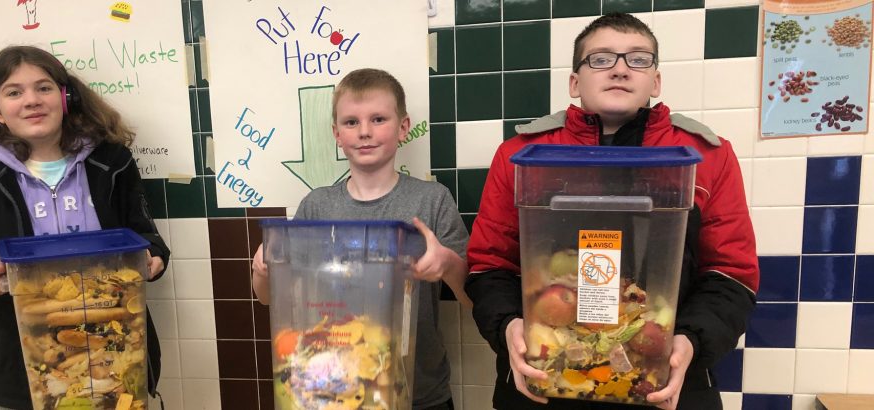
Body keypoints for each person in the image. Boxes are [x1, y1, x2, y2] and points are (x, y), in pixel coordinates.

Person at [464, 13, 759, 410]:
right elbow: (489, 265)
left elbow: (730, 274)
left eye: (638, 59)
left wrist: (689, 341)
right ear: (574, 82)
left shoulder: (707, 156)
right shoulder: (521, 156)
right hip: (546, 383)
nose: (620, 69)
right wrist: (509, 328)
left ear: (655, 81)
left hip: (665, 385)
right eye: (601, 59)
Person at [0, 45, 170, 410]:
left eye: (44, 87)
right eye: (14, 92)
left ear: (66, 96)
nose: (32, 100)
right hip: (26, 363)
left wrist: (152, 257)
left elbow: (147, 236)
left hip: (116, 351)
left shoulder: (110, 162)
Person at [251, 68, 471, 409]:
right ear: (337, 134)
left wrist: (447, 264)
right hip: (330, 389)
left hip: (419, 392)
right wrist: (263, 272)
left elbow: (471, 297)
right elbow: (269, 299)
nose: (365, 132)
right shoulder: (316, 205)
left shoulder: (432, 200)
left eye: (378, 119)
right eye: (351, 122)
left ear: (403, 127)